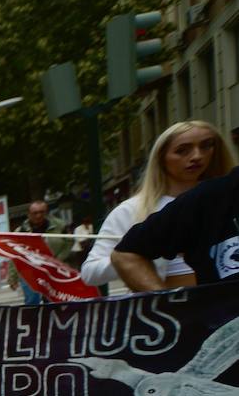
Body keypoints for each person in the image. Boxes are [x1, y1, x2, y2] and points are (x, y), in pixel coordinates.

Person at [85, 120, 235, 287]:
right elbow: (90, 272)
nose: (196, 156)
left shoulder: (227, 200)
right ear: (161, 157)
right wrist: (144, 254)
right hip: (171, 308)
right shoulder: (132, 210)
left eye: (206, 146)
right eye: (182, 151)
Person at [6, 200, 65, 305]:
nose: (38, 215)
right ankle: (33, 320)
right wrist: (12, 277)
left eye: (42, 212)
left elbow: (69, 241)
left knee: (54, 300)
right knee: (32, 301)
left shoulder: (59, 226)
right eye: (35, 213)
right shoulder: (20, 232)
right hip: (29, 270)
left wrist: (60, 258)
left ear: (46, 213)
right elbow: (14, 255)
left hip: (52, 269)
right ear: (29, 214)